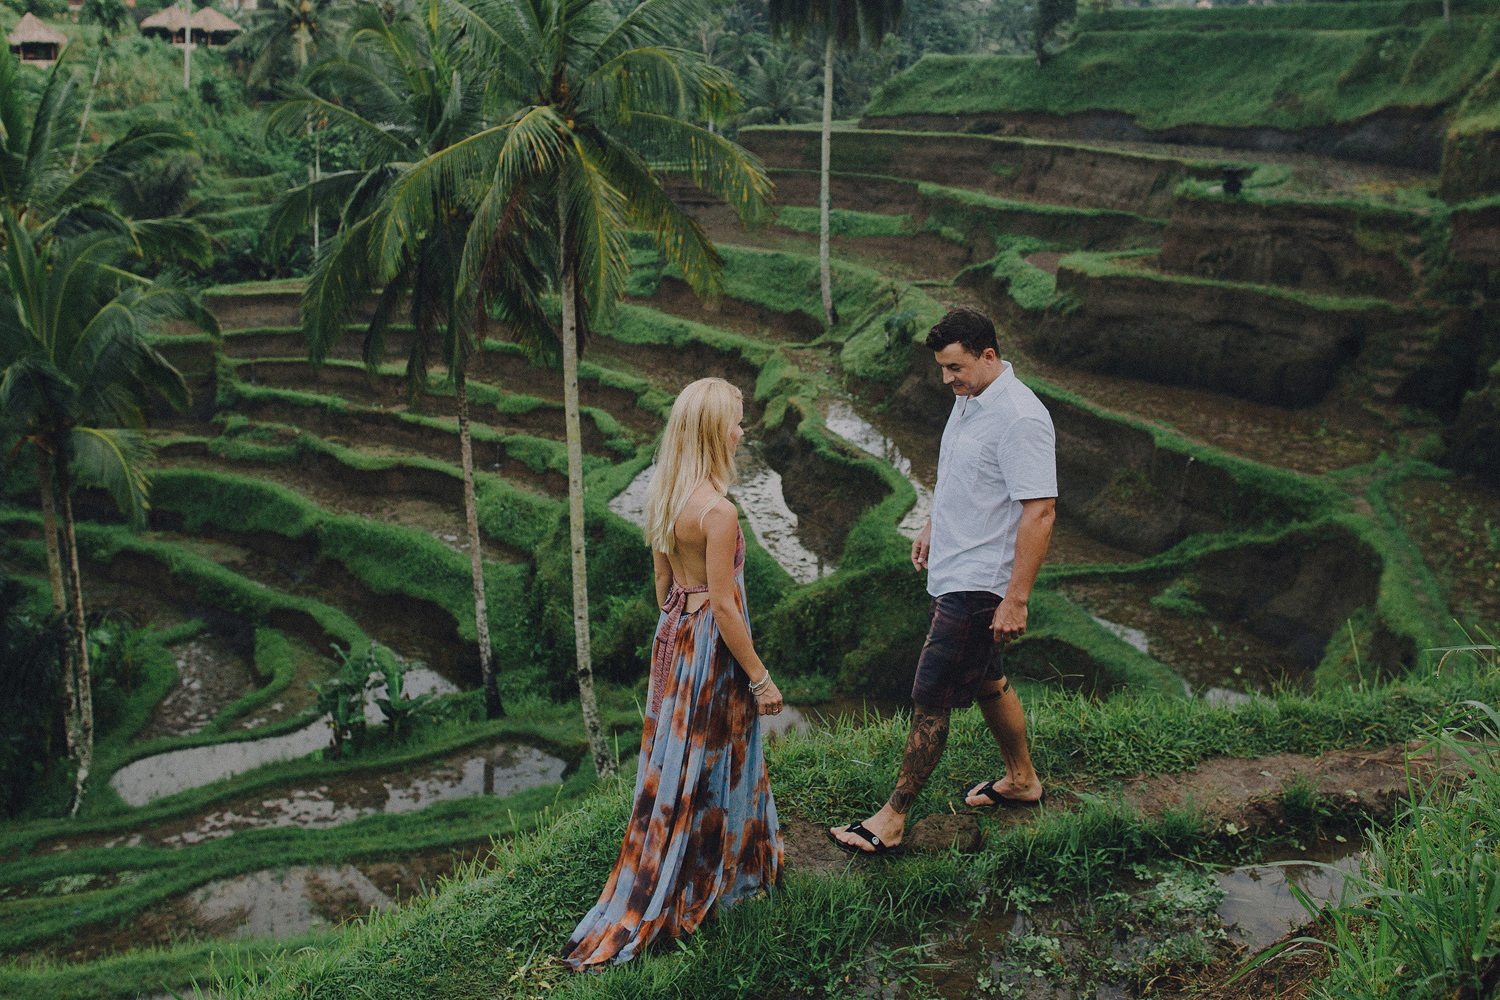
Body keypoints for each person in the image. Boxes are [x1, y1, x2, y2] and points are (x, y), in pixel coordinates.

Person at [564, 377, 785, 967]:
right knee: (720, 757)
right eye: (737, 422)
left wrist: (672, 632)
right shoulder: (719, 513)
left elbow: (665, 586)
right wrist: (760, 678)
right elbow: (723, 604)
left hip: (676, 637)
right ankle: (719, 866)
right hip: (713, 647)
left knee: (678, 755)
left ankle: (678, 859)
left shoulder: (664, 495)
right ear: (717, 433)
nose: (743, 431)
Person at [829, 307, 1056, 857]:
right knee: (987, 680)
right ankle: (1022, 780)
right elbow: (959, 471)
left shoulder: (1021, 418)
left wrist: (1015, 598)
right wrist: (932, 522)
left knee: (931, 696)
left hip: (981, 583)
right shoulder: (968, 399)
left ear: (988, 355)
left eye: (955, 367)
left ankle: (892, 818)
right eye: (942, 368)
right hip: (955, 565)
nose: (947, 379)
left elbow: (1040, 510)